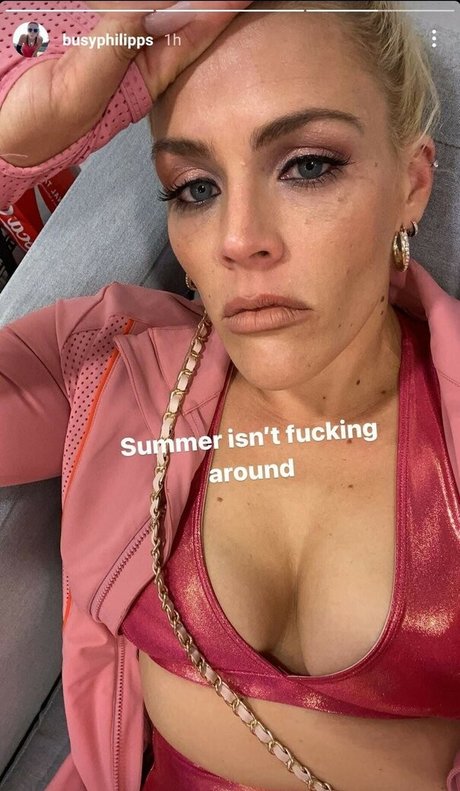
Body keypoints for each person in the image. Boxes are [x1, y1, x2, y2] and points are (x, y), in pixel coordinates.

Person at [0, 1, 459, 790]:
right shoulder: (113, 362)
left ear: (411, 184)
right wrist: (13, 153)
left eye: (307, 166)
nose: (239, 238)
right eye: (195, 187)